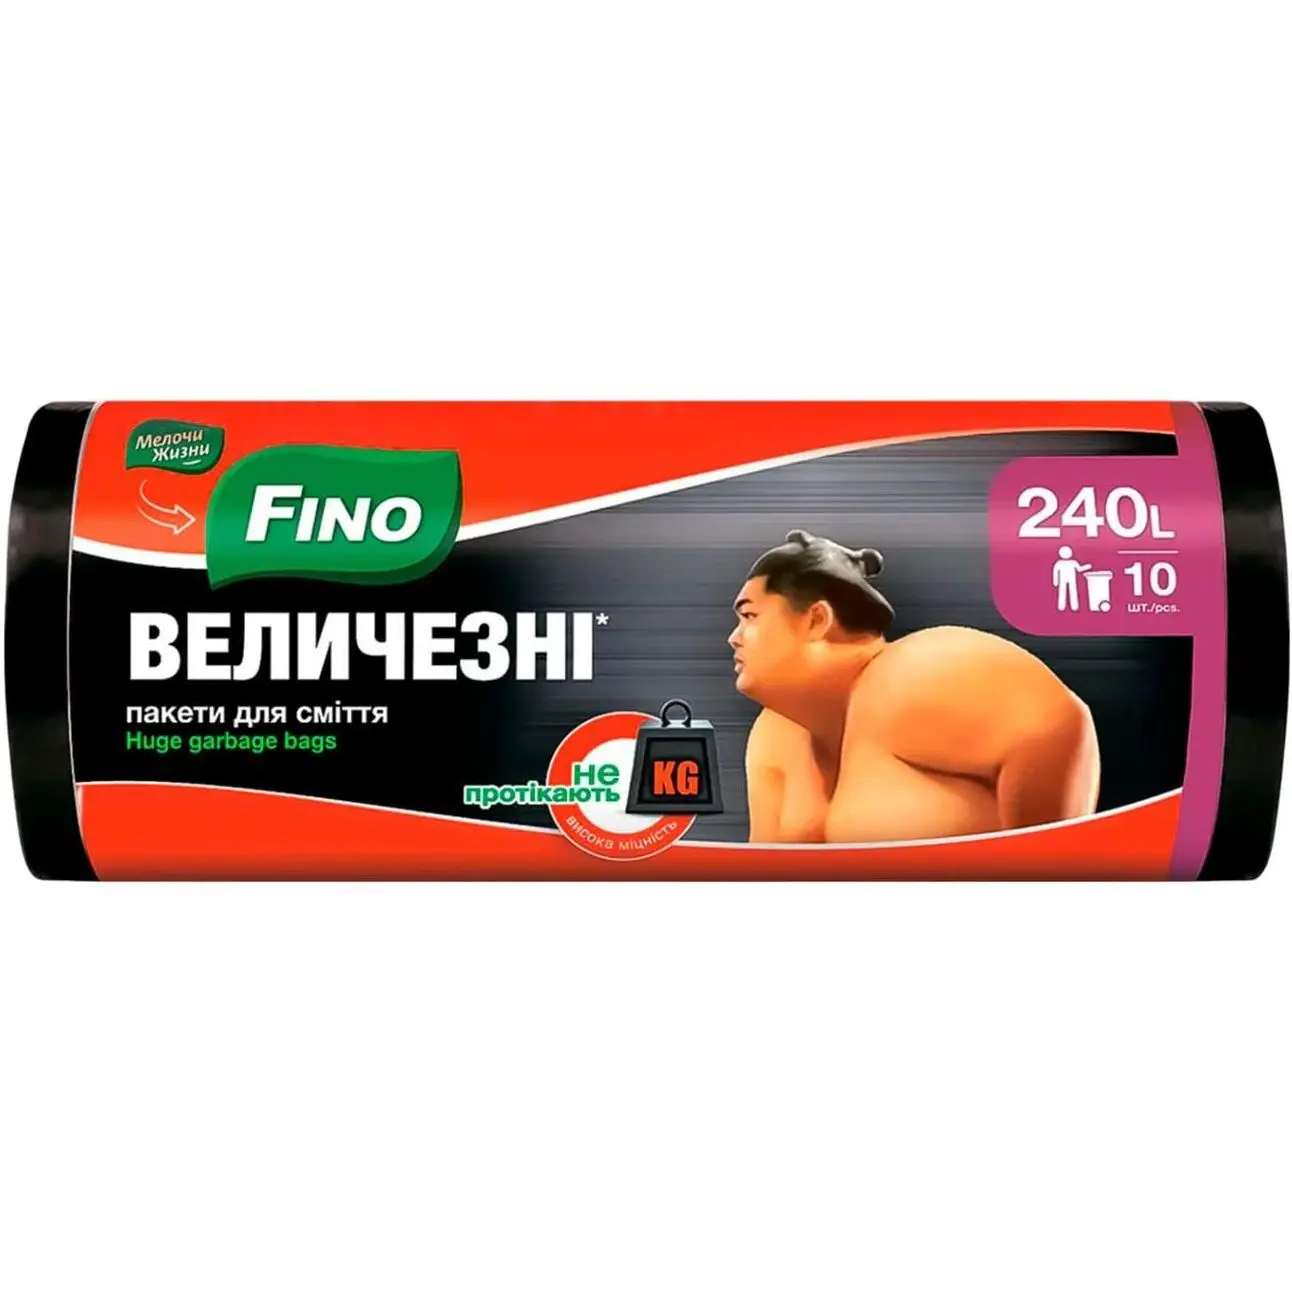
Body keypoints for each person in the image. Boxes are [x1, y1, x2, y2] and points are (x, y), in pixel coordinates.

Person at [728, 530, 1101, 844]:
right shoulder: (775, 737)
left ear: (817, 620)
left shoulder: (913, 672)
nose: (734, 637)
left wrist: (1037, 877)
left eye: (749, 615)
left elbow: (1056, 722)